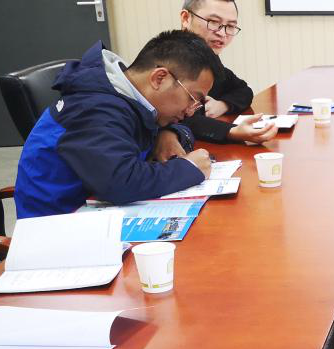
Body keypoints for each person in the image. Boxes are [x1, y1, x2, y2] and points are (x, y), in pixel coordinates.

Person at [15, 30, 218, 218]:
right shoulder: (95, 107)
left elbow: (183, 125)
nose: (191, 110)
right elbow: (120, 183)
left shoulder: (130, 95)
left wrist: (169, 133)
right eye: (192, 98)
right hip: (56, 225)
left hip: (93, 208)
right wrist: (189, 167)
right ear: (159, 78)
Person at [175, 0, 278, 147]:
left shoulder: (209, 58)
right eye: (213, 22)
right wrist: (232, 132)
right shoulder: (170, 59)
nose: (222, 33)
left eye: (230, 26)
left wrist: (222, 105)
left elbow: (243, 90)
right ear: (186, 18)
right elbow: (177, 121)